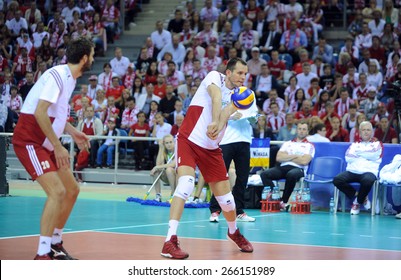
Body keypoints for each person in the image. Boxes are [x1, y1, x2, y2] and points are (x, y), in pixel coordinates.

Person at [161, 58, 253, 259]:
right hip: (189, 139)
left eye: (245, 74)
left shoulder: (243, 95)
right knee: (185, 184)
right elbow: (216, 96)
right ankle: (169, 241)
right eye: (239, 73)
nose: (243, 77)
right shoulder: (214, 77)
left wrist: (219, 124)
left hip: (211, 149)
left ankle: (233, 231)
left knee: (227, 201)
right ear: (228, 72)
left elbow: (228, 111)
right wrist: (214, 120)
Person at [11, 37, 94, 260]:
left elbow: (54, 115)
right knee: (57, 192)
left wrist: (72, 131)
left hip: (47, 142)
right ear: (85, 58)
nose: (93, 59)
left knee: (72, 190)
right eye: (93, 55)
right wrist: (58, 147)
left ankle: (56, 243)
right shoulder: (57, 76)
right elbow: (39, 112)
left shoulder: (70, 80)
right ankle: (42, 253)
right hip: (30, 141)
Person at [209, 92, 259, 223]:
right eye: (239, 73)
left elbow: (254, 116)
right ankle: (215, 210)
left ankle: (239, 211)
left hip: (245, 140)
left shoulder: (250, 94)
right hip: (226, 140)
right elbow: (214, 115)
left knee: (243, 177)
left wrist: (254, 120)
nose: (241, 77)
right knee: (220, 175)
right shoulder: (222, 93)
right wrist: (230, 117)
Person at [259, 121, 315, 211]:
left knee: (291, 174)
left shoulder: (310, 146)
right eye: (300, 129)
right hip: (283, 167)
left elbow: (304, 161)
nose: (301, 131)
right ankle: (278, 200)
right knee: (264, 174)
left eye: (304, 129)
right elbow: (279, 157)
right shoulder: (287, 143)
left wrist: (288, 156)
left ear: (307, 132)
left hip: (298, 169)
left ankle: (284, 201)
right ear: (297, 130)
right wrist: (295, 156)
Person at [333, 121, 383, 215]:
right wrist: (366, 155)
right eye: (364, 130)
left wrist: (358, 153)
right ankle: (361, 197)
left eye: (368, 130)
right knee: (337, 180)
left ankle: (357, 202)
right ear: (360, 132)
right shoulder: (354, 144)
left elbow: (374, 155)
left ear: (372, 132)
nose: (366, 132)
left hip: (369, 171)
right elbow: (348, 157)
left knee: (368, 181)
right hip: (353, 171)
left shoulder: (377, 144)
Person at [150, 134, 176, 202]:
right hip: (169, 177)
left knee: (169, 169)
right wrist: (161, 148)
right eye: (167, 143)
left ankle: (173, 194)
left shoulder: (177, 150)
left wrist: (157, 167)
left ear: (174, 142)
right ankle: (158, 196)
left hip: (178, 177)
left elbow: (173, 164)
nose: (169, 144)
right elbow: (158, 164)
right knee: (156, 171)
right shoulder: (165, 151)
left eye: (171, 142)